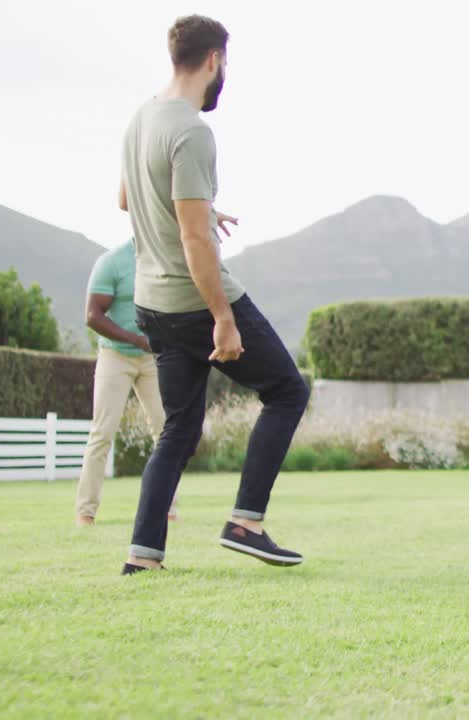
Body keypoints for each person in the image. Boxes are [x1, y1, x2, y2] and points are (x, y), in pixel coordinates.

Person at [119, 15, 309, 575]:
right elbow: (194, 240)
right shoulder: (192, 130)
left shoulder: (141, 117)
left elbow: (128, 198)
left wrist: (201, 206)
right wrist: (223, 317)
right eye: (226, 63)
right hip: (197, 301)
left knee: (178, 430)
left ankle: (143, 556)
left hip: (152, 302)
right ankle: (245, 523)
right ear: (213, 60)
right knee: (287, 391)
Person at [75, 238, 175, 527]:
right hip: (115, 356)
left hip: (153, 358)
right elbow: (92, 315)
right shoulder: (112, 262)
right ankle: (86, 512)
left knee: (165, 431)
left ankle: (167, 508)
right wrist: (134, 339)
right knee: (102, 433)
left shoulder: (166, 256)